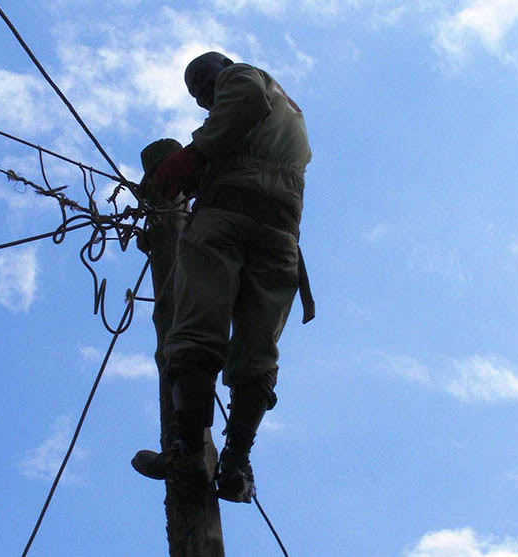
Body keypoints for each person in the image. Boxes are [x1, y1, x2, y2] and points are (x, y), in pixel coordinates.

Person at [135, 51, 313, 503]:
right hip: (278, 237)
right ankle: (235, 466)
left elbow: (244, 99)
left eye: (203, 83)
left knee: (196, 331)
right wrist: (201, 173)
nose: (201, 97)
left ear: (224, 67)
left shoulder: (246, 79)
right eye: (195, 94)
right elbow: (251, 161)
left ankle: (187, 451)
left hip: (227, 225)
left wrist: (190, 157)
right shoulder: (287, 117)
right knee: (257, 352)